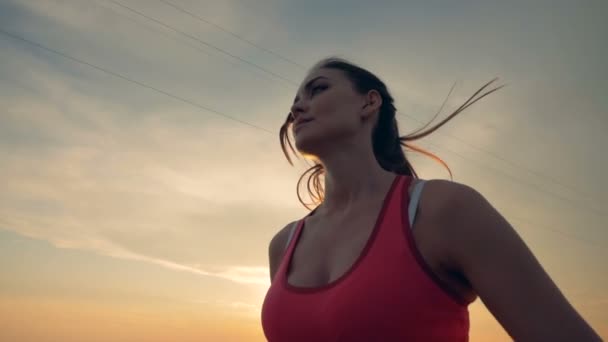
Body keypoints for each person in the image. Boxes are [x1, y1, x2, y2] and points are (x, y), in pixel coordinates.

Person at [260, 57, 602, 341]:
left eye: (317, 89)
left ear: (369, 102)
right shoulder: (284, 244)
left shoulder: (442, 210)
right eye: (294, 100)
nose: (296, 106)